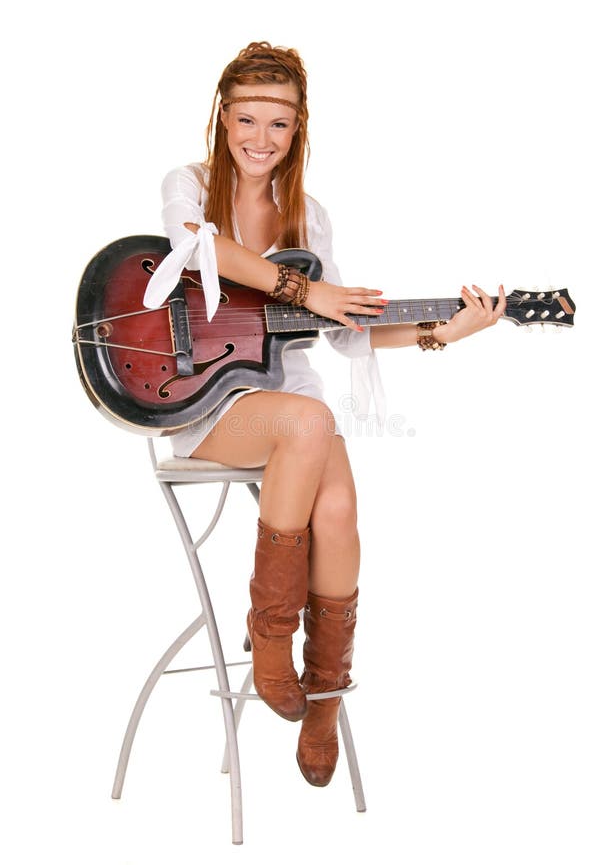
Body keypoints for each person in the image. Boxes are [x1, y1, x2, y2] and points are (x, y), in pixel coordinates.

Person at [143, 41, 506, 787]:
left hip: (290, 400)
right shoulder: (189, 186)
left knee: (337, 510)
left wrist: (446, 331)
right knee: (310, 426)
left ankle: (325, 699)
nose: (261, 139)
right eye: (247, 119)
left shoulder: (308, 215)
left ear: (300, 125)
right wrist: (305, 292)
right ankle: (269, 642)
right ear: (222, 115)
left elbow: (347, 330)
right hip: (206, 397)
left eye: (280, 124)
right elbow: (195, 249)